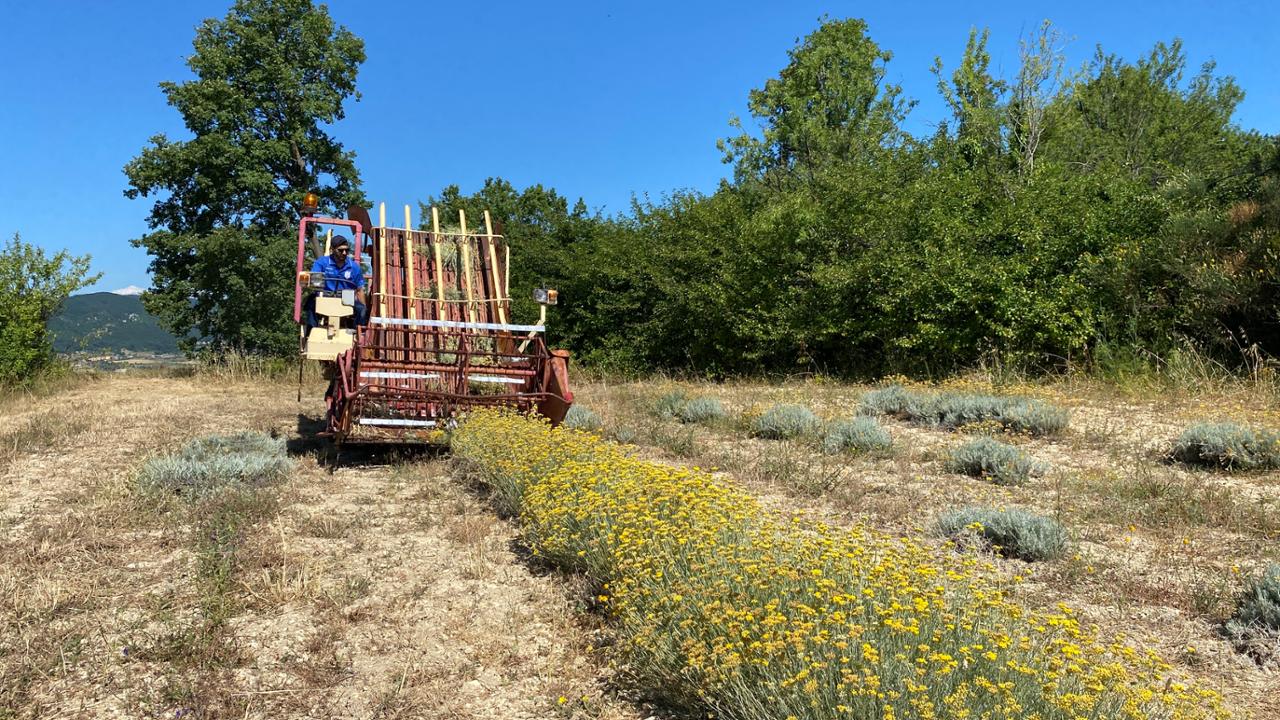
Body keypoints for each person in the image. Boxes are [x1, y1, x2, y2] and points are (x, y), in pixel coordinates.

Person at [303, 235, 368, 328]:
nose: (344, 253)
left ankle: (357, 332)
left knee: (362, 309)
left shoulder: (354, 267)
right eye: (341, 250)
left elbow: (359, 289)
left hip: (346, 297)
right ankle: (312, 330)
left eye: (347, 250)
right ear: (332, 250)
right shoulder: (322, 263)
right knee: (310, 303)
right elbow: (313, 279)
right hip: (325, 295)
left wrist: (364, 306)